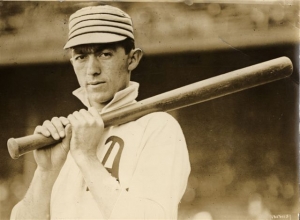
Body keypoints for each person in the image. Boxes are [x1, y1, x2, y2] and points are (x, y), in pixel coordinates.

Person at [10, 5, 190, 219]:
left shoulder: (157, 127)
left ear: (132, 59)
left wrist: (86, 157)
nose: (92, 70)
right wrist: (46, 172)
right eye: (81, 57)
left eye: (105, 54)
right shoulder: (69, 137)